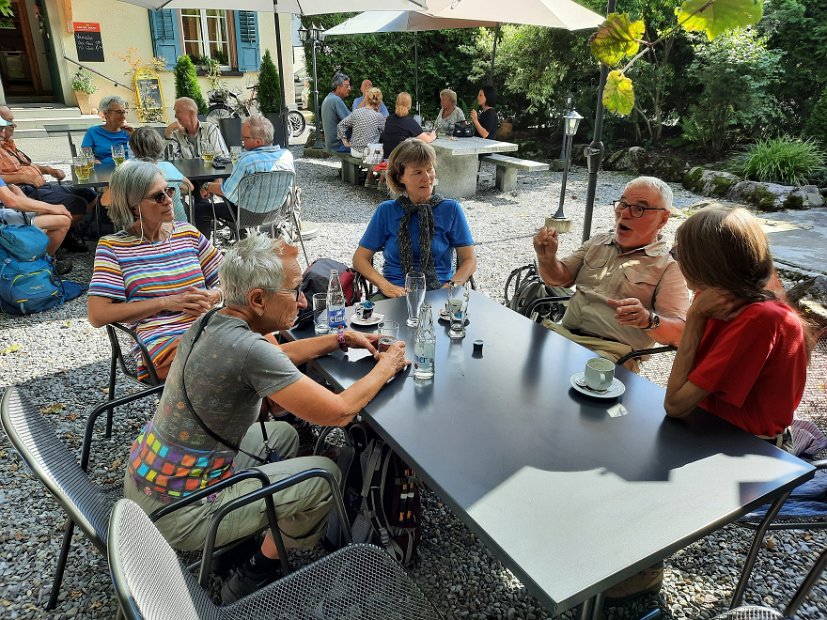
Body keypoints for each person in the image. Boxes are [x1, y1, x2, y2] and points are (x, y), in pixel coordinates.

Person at [123, 232, 409, 603]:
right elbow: (340, 413)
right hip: (178, 511)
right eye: (295, 291)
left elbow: (275, 358)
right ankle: (256, 570)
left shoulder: (213, 321)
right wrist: (387, 365)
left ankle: (247, 532)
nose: (303, 300)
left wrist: (339, 338)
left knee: (282, 435)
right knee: (325, 475)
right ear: (258, 299)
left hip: (147, 481)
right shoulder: (247, 349)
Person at [664, 206, 810, 441]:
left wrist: (694, 319)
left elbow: (675, 404)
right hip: (707, 425)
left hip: (745, 445)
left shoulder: (759, 319)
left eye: (680, 253)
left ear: (706, 263)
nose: (677, 259)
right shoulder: (714, 299)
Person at [532, 176, 689, 371]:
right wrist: (547, 258)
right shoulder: (598, 242)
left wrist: (648, 320)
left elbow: (680, 335)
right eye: (623, 203)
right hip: (563, 336)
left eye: (639, 208)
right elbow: (559, 279)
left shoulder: (667, 267)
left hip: (610, 357)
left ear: (663, 219)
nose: (624, 213)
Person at [87, 161, 222, 381]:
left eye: (168, 190)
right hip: (162, 342)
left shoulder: (186, 233)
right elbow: (98, 315)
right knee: (237, 358)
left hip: (208, 327)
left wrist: (216, 294)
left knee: (256, 346)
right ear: (132, 207)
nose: (169, 200)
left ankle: (279, 409)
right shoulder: (113, 247)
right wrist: (167, 302)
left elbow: (232, 280)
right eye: (158, 196)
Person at [353, 138, 476, 297]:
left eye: (429, 169)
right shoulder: (387, 211)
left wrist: (451, 286)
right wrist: (385, 286)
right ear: (400, 177)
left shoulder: (450, 209)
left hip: (441, 291)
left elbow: (469, 260)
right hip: (396, 294)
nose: (427, 177)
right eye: (418, 172)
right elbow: (360, 258)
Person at [0, 107, 93, 253]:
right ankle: (53, 241)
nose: (14, 125)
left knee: (88, 193)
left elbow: (25, 165)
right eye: (9, 121)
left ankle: (65, 233)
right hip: (24, 191)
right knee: (78, 204)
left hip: (40, 185)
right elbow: (9, 192)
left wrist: (48, 169)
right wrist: (22, 178)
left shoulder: (8, 144)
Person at [200, 115, 294, 209]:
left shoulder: (246, 161)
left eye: (244, 138)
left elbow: (229, 193)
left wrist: (208, 186)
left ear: (258, 142)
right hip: (275, 215)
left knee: (199, 210)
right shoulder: (287, 156)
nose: (242, 142)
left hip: (245, 217)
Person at [0, 176, 71, 267]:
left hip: (5, 212)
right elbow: (11, 201)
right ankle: (42, 265)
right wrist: (53, 208)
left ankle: (39, 261)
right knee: (63, 221)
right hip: (3, 222)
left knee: (48, 213)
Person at [126, 127, 192, 222]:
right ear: (159, 145)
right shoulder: (168, 166)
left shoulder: (130, 172)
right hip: (180, 225)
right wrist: (171, 191)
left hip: (148, 230)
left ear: (132, 148)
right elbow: (189, 187)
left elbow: (105, 201)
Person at [381, 92, 435, 161]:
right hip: (400, 161)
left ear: (396, 103)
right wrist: (432, 135)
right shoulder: (409, 122)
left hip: (386, 158)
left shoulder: (389, 119)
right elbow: (427, 140)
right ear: (409, 106)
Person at [81, 95, 133, 164]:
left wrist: (134, 136)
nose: (123, 116)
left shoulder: (129, 132)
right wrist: (97, 164)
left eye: (124, 112)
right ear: (106, 113)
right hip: (103, 171)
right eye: (119, 112)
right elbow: (86, 156)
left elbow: (143, 154)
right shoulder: (93, 132)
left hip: (127, 170)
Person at [337, 87, 386, 159]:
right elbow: (384, 132)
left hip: (355, 152)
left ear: (366, 99)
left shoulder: (356, 112)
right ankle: (370, 170)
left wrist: (345, 141)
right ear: (379, 102)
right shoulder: (379, 116)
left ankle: (369, 170)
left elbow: (341, 125)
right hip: (371, 154)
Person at [321, 72, 352, 152]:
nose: (350, 88)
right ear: (339, 87)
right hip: (339, 145)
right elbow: (351, 121)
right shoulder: (336, 100)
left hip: (331, 144)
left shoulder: (328, 98)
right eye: (347, 86)